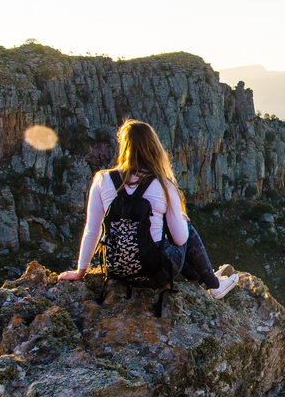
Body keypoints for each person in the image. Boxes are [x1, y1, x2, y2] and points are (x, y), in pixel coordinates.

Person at [58, 119, 238, 299]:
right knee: (185, 228)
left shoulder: (102, 179)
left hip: (117, 271)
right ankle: (213, 285)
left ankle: (207, 280)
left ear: (123, 147)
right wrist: (179, 219)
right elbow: (180, 238)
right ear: (154, 147)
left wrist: (80, 271)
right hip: (154, 272)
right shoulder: (163, 184)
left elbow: (92, 229)